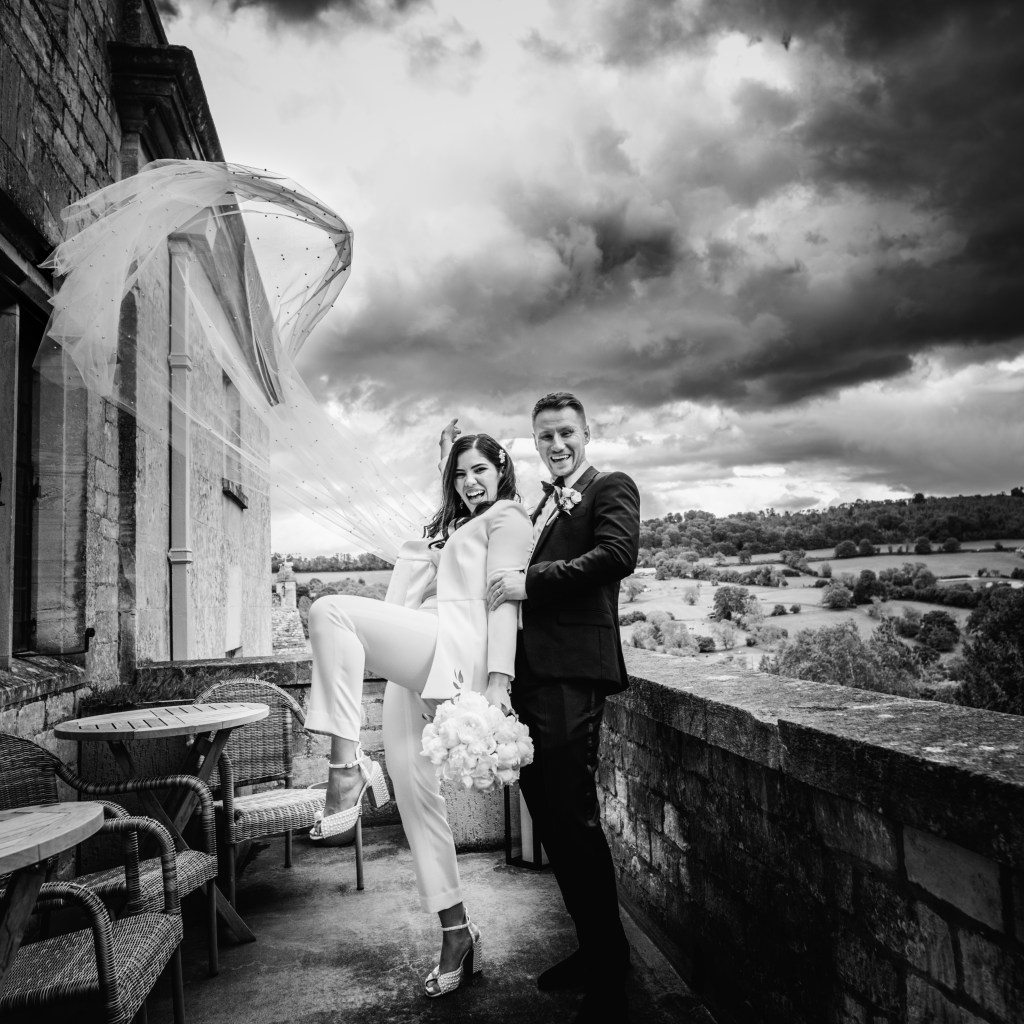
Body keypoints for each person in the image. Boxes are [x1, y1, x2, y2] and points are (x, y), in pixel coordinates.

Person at [304, 432, 532, 998]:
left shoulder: (508, 517)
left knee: (332, 611)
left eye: (479, 470)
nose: (469, 482)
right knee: (416, 802)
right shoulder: (453, 527)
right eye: (459, 474)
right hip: (419, 655)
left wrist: (500, 682)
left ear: (502, 471)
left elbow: (507, 599)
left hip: (454, 650)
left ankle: (346, 771)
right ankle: (457, 931)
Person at [487, 391, 640, 1024]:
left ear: (586, 433)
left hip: (575, 674)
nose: (556, 444)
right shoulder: (542, 504)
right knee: (547, 816)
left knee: (573, 817)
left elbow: (617, 556)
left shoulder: (611, 486)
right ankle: (592, 947)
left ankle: (612, 967)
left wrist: (531, 582)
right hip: (529, 679)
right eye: (544, 435)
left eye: (565, 433)